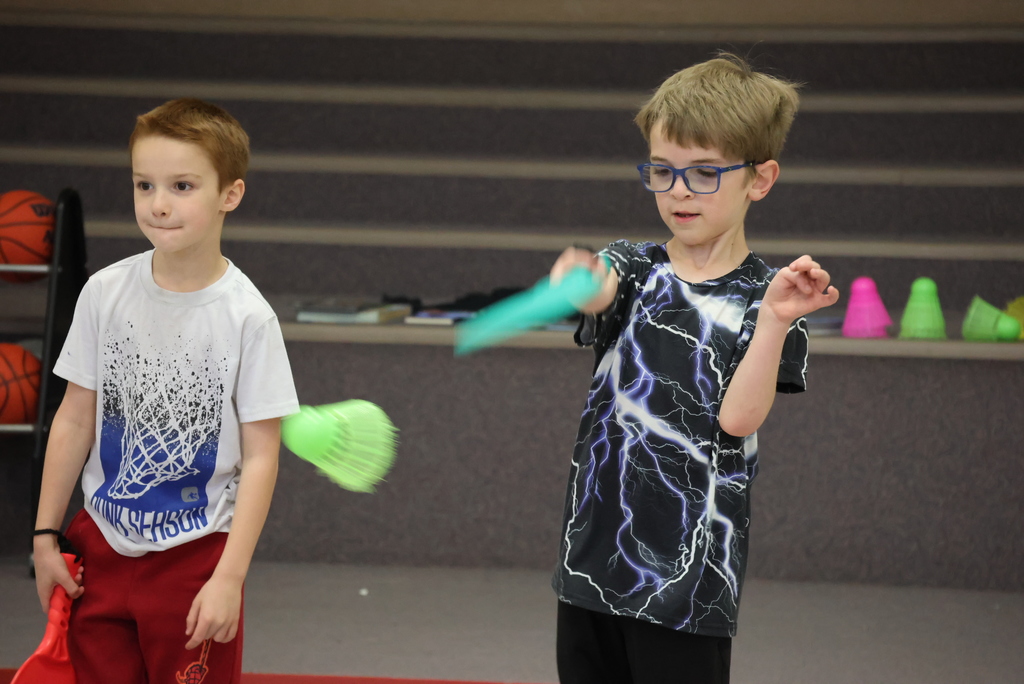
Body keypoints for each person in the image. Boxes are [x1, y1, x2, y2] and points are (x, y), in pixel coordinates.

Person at [548, 54, 840, 684]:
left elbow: (737, 419)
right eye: (662, 171)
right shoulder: (633, 266)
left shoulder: (772, 297)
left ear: (760, 180)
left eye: (705, 173)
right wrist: (580, 280)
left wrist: (773, 322)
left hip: (689, 587)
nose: (679, 191)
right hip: (592, 562)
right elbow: (596, 289)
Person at [31, 98, 299, 684]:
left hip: (194, 561)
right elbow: (75, 419)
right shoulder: (103, 292)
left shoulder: (249, 318)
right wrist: (45, 533)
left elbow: (261, 457)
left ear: (230, 194)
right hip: (96, 548)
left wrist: (228, 577)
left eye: (182, 185)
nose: (158, 204)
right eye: (143, 184)